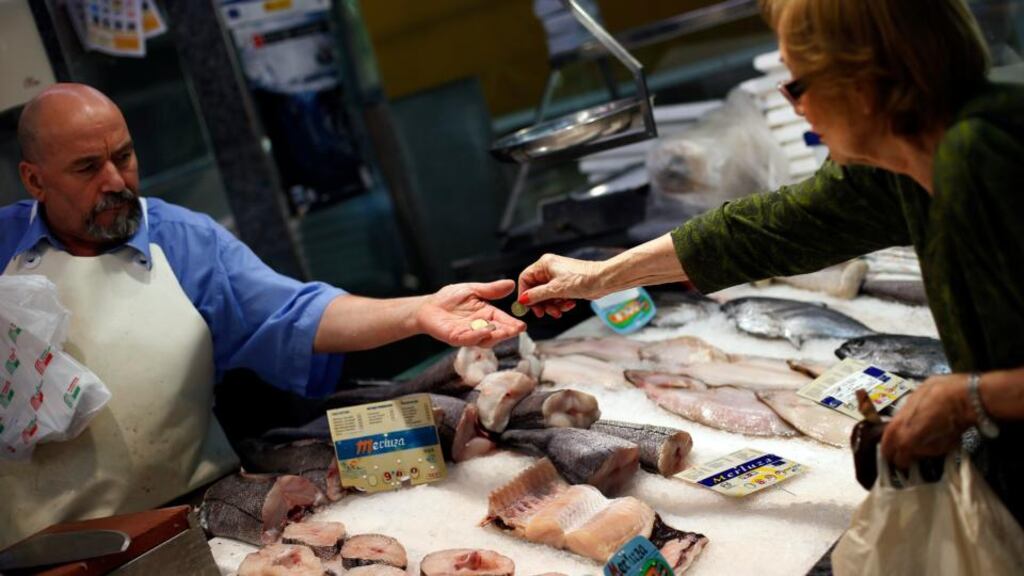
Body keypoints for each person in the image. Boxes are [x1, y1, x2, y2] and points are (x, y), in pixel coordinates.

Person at [517, 0, 1024, 525]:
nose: (792, 103)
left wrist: (970, 398)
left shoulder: (984, 154)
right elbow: (769, 229)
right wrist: (599, 277)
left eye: (798, 83)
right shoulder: (901, 160)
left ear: (866, 81)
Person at [0, 83, 524, 546]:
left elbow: (298, 313)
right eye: (87, 168)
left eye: (124, 156)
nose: (116, 180)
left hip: (196, 519)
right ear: (35, 180)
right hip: (40, 549)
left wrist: (418, 311)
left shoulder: (182, 240)